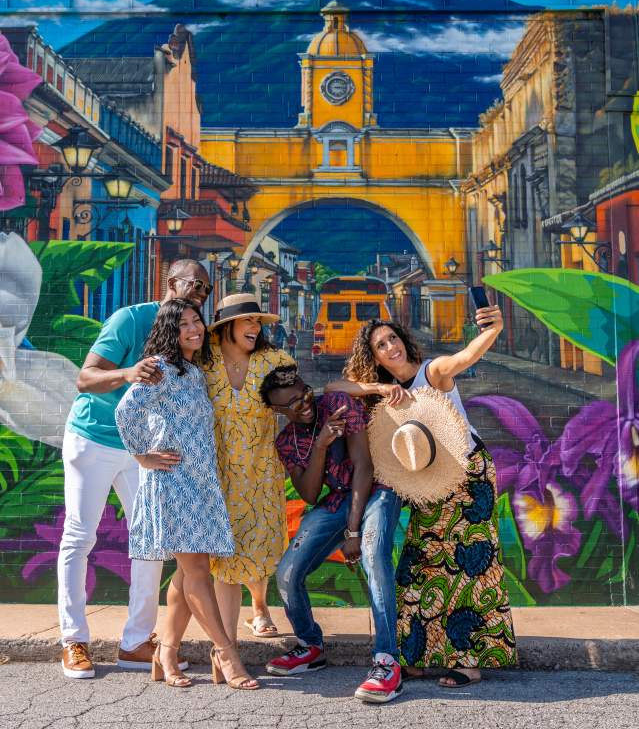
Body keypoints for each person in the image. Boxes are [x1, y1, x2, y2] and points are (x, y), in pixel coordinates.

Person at [327, 305, 516, 687]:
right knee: (419, 562)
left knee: (469, 564)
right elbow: (334, 388)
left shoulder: (432, 372)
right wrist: (380, 387)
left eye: (392, 338)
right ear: (374, 357)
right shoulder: (386, 394)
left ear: (403, 340)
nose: (390, 347)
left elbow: (465, 357)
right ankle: (417, 653)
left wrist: (494, 330)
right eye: (381, 345)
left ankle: (468, 662)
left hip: (467, 474)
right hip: (426, 483)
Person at [58, 259, 212, 679]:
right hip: (94, 438)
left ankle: (135, 642)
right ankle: (73, 639)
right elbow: (85, 378)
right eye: (193, 284)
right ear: (170, 282)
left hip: (143, 450)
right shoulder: (131, 319)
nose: (198, 293)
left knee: (150, 542)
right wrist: (128, 373)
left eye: (205, 290)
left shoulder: (190, 333)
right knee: (80, 535)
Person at [115, 299, 258, 690]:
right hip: (173, 484)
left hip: (199, 483)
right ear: (168, 331)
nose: (194, 329)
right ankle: (227, 654)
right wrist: (143, 455)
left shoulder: (192, 372)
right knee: (197, 572)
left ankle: (166, 651)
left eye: (197, 321)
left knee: (186, 572)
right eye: (184, 324)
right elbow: (126, 412)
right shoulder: (160, 368)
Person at [260, 365, 404, 703]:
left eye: (304, 393)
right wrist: (322, 445)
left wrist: (352, 531)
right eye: (292, 404)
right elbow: (310, 494)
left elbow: (364, 467)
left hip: (378, 489)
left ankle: (387, 662)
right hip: (338, 498)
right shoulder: (287, 442)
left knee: (373, 558)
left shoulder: (338, 403)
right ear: (278, 411)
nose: (304, 404)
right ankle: (311, 646)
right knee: (287, 573)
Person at [201, 294, 294, 647]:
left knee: (257, 542)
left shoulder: (274, 362)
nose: (255, 327)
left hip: (261, 469)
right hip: (215, 471)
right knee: (221, 549)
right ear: (227, 326)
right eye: (248, 321)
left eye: (258, 322)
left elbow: (299, 406)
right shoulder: (203, 364)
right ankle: (223, 633)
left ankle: (259, 608)